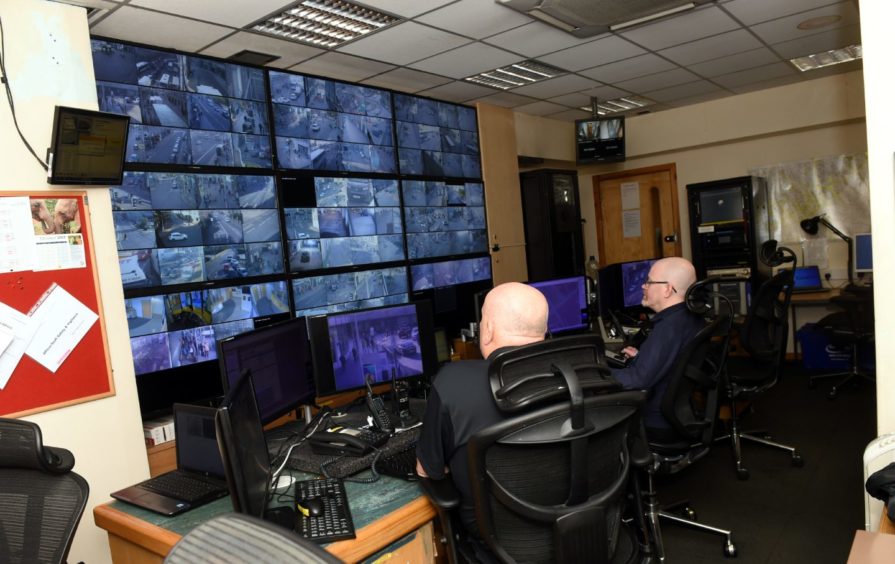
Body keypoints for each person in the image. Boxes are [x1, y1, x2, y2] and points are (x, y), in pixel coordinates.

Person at [415, 282, 548, 532]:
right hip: (580, 533)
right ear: (544, 330)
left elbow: (427, 470)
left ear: (486, 330)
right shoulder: (581, 372)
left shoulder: (453, 383)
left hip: (495, 542)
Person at [610, 256, 703, 438]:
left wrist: (595, 373)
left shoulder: (668, 327)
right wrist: (642, 356)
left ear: (667, 289)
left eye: (649, 282)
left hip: (656, 420)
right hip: (678, 413)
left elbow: (637, 380)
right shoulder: (689, 316)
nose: (643, 286)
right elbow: (674, 362)